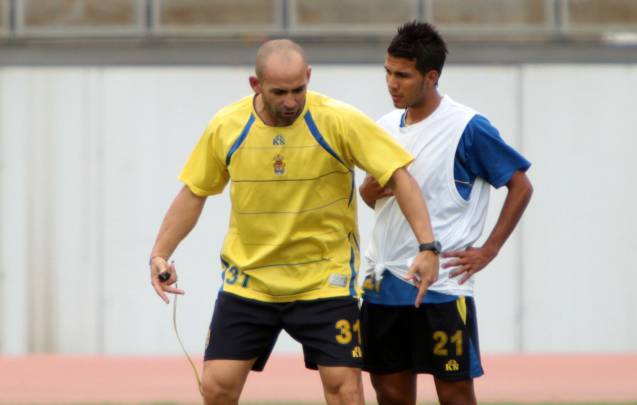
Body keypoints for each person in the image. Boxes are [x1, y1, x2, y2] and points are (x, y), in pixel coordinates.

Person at [148, 39, 440, 405]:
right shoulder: (227, 126)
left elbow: (399, 177)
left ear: (309, 77)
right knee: (217, 386)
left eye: (299, 89)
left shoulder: (338, 120)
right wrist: (160, 253)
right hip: (249, 281)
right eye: (279, 92)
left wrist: (428, 246)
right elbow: (194, 193)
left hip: (324, 281)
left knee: (345, 389)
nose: (291, 101)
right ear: (256, 86)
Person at [359, 22, 534, 405]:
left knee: (454, 394)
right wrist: (368, 191)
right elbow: (375, 198)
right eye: (388, 72)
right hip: (381, 277)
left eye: (403, 75)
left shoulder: (468, 127)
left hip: (440, 286)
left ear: (431, 76)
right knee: (388, 392)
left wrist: (489, 250)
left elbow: (521, 186)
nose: (391, 83)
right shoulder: (383, 127)